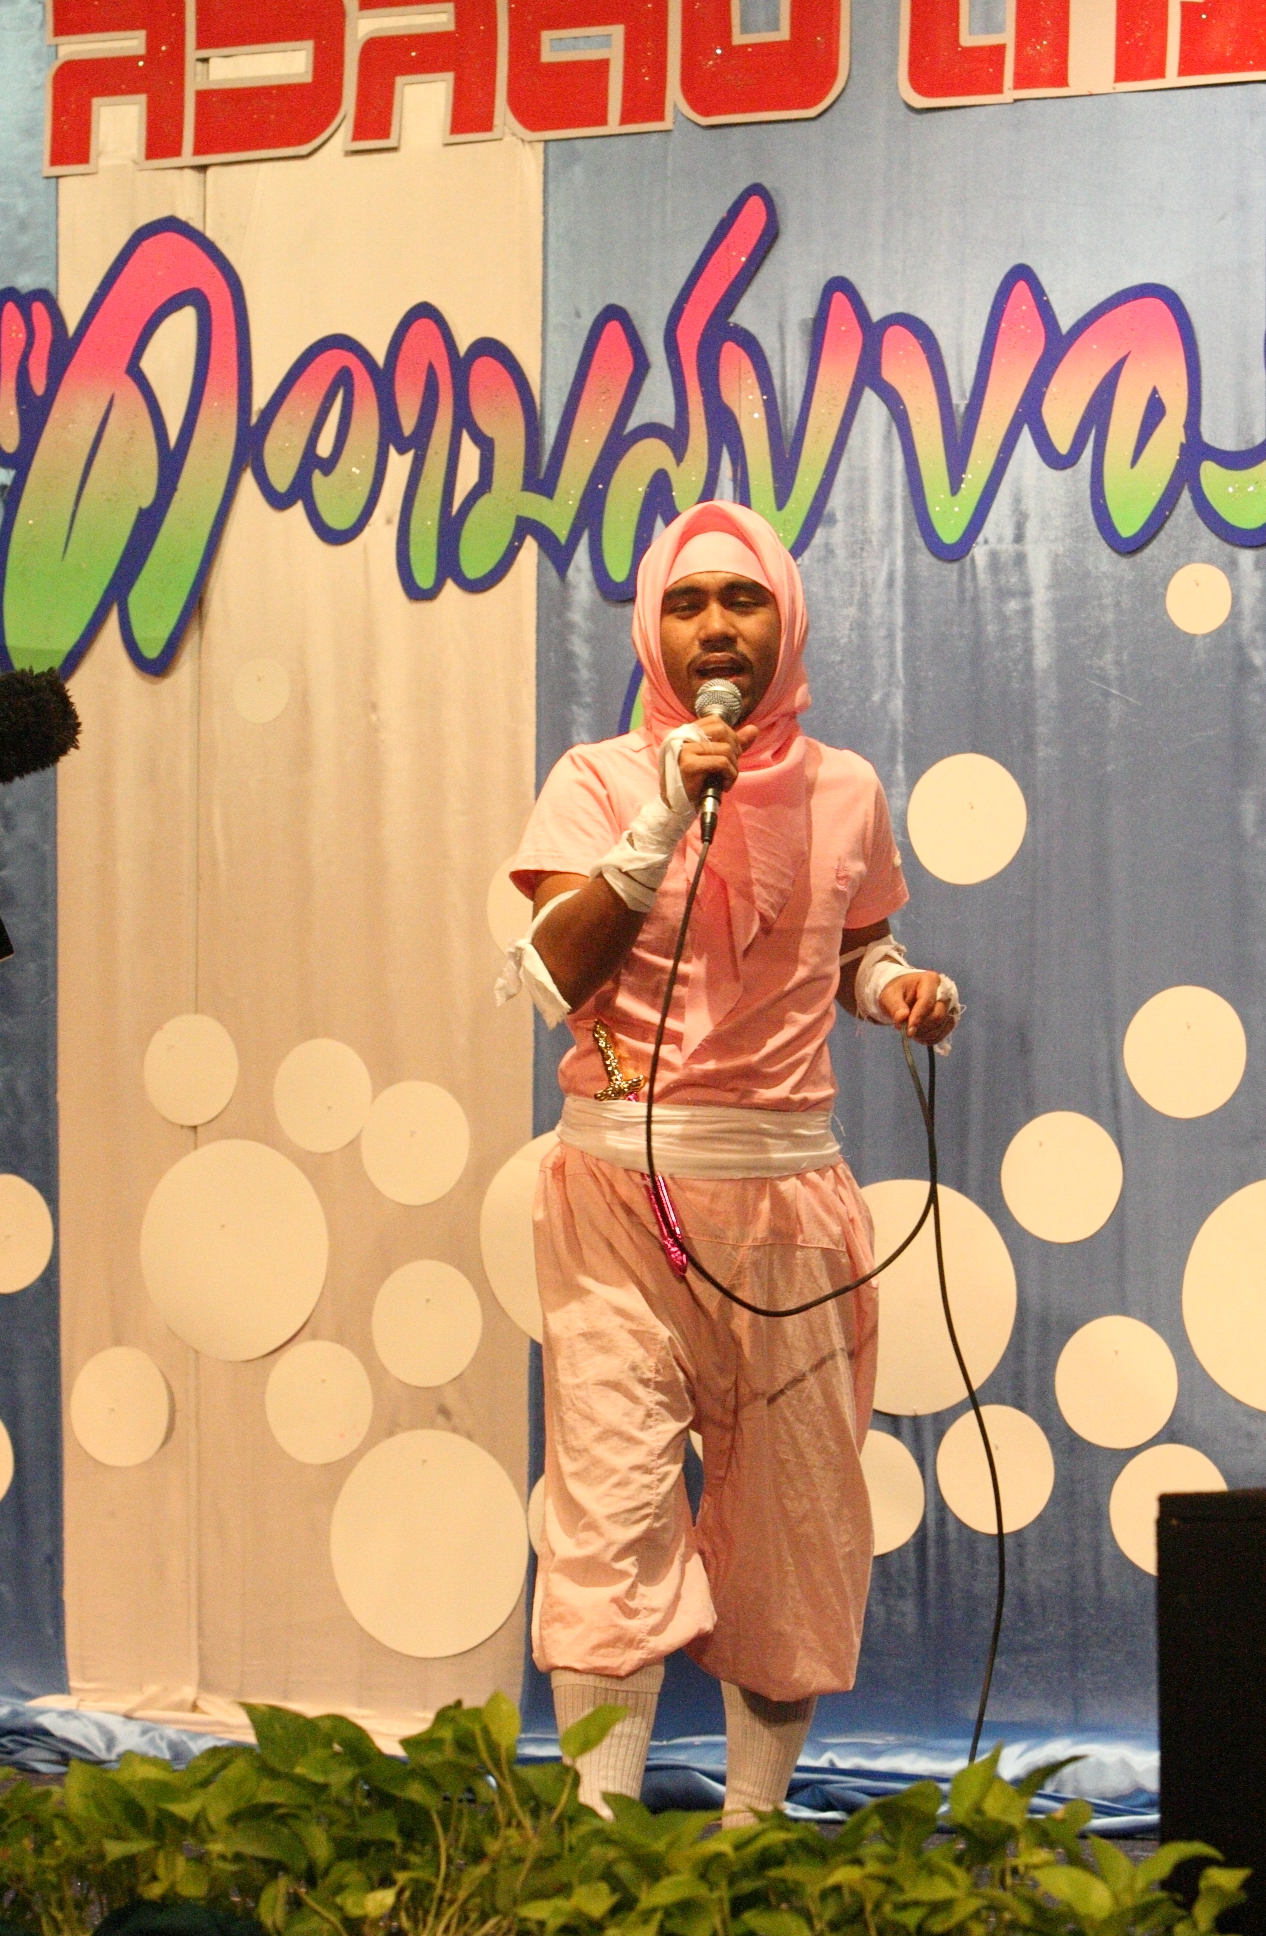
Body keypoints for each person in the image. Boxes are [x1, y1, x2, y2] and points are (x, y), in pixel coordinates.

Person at [497, 501, 959, 1826]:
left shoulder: (848, 789)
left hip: (791, 1209)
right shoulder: (596, 780)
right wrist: (661, 817)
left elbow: (854, 944)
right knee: (611, 1511)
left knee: (793, 1529)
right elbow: (554, 977)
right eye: (687, 601)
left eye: (742, 600)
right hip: (617, 1204)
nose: (715, 626)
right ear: (654, 629)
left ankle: (750, 1839)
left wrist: (896, 988)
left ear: (785, 623)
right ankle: (601, 1848)